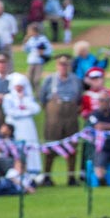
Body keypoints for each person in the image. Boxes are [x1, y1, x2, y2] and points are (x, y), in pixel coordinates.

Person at [39, 55, 83, 186]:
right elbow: (42, 98)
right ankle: (47, 176)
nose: (63, 67)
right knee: (51, 146)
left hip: (70, 116)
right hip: (54, 118)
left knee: (72, 146)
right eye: (61, 64)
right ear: (57, 65)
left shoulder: (76, 80)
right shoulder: (49, 80)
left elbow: (79, 98)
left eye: (66, 64)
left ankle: (71, 176)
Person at [2, 73, 42, 176]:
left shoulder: (27, 98)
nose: (19, 88)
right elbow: (11, 112)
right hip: (14, 125)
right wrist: (25, 111)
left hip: (27, 126)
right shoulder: (8, 98)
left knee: (30, 145)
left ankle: (32, 169)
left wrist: (24, 104)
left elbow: (36, 109)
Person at [22, 23, 53, 91]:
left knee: (36, 80)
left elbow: (50, 49)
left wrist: (43, 52)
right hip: (31, 61)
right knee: (29, 79)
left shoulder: (43, 39)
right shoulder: (30, 39)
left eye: (30, 31)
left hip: (39, 61)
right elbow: (25, 50)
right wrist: (25, 42)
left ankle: (39, 94)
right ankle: (32, 93)